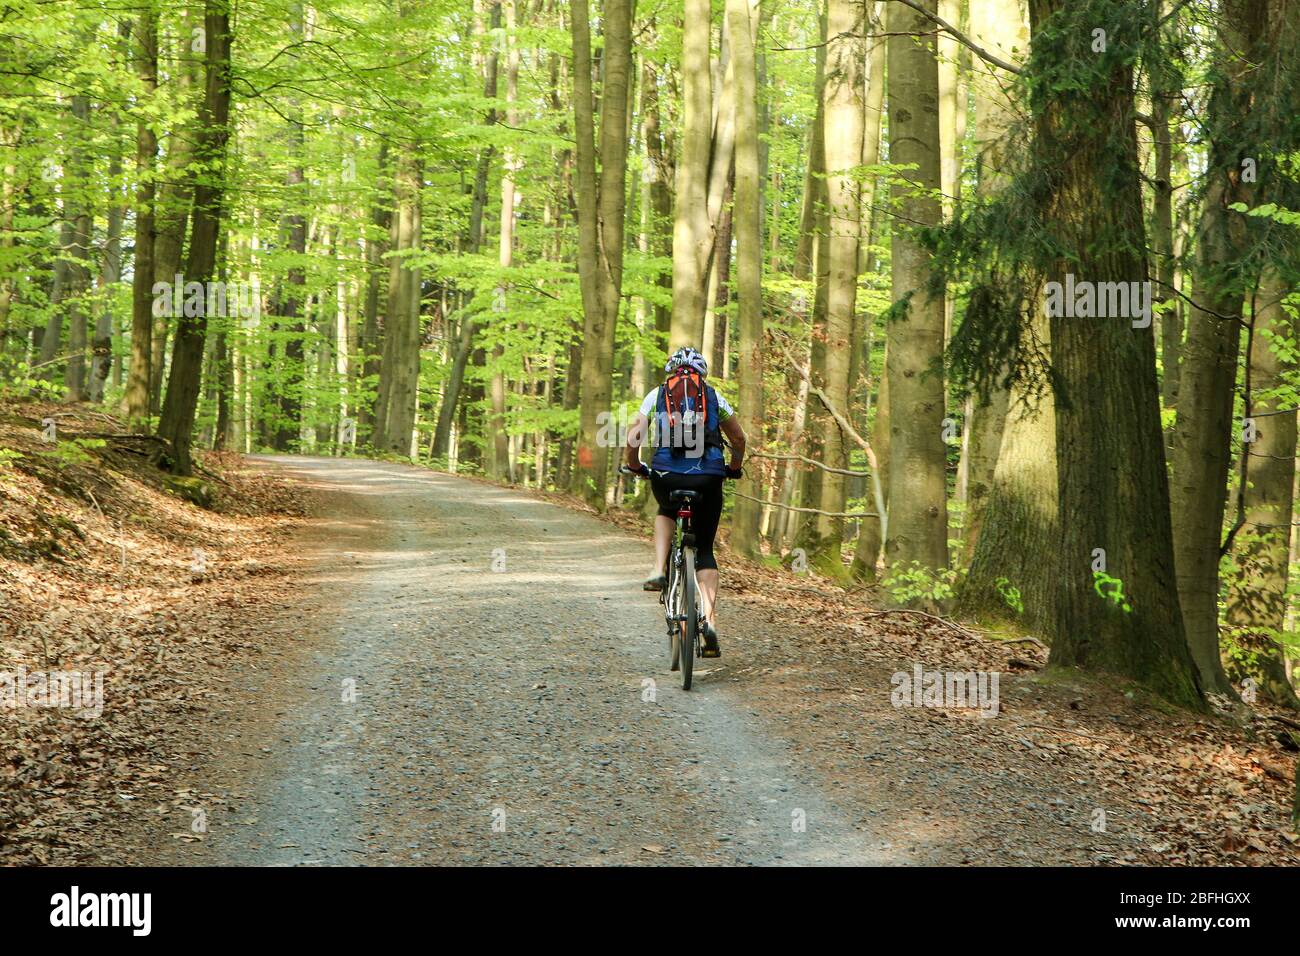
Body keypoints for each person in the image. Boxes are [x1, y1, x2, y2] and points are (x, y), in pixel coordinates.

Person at [624, 346, 746, 658]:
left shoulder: (657, 394)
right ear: (701, 373)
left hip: (667, 475)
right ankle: (709, 621)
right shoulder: (714, 398)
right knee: (704, 549)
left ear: (672, 371)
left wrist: (636, 466)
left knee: (666, 509)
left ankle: (657, 569)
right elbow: (740, 439)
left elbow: (633, 437)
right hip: (708, 478)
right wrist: (733, 468)